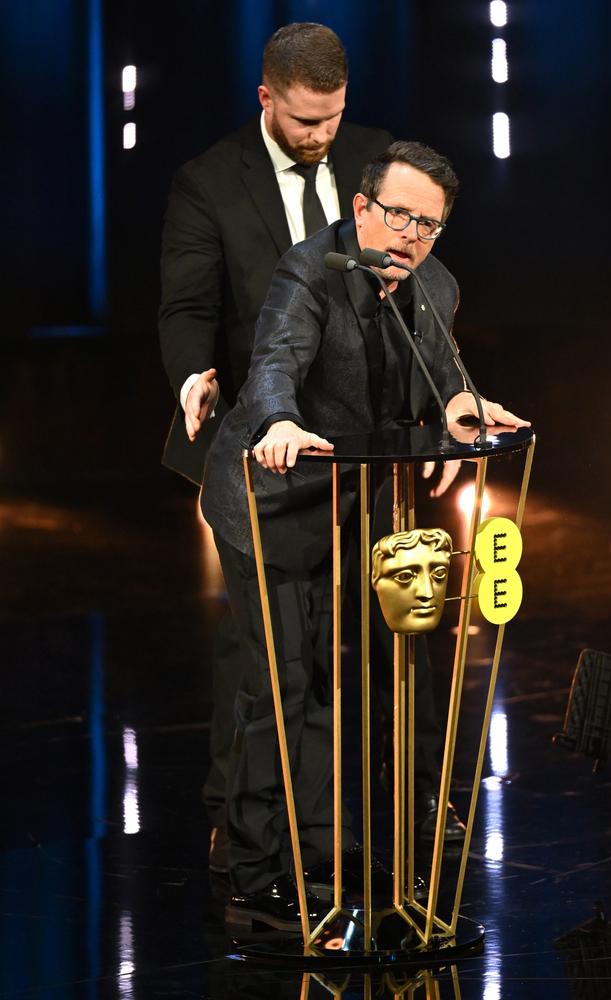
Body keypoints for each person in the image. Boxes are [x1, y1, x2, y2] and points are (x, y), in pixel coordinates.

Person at [200, 140, 530, 928]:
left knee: (357, 677)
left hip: (357, 504)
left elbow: (442, 370)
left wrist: (456, 405)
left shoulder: (434, 282)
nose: (410, 236)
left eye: (429, 225)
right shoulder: (307, 271)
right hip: (270, 497)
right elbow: (276, 359)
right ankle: (253, 866)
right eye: (397, 216)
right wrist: (277, 418)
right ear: (360, 210)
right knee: (281, 685)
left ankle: (340, 844)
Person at [158, 23, 392, 871]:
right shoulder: (210, 182)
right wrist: (194, 375)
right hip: (253, 439)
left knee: (357, 631)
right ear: (266, 98)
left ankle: (355, 812)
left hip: (359, 440)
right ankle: (238, 816)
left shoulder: (373, 163)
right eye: (303, 121)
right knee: (258, 642)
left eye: (331, 118)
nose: (320, 136)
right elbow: (187, 307)